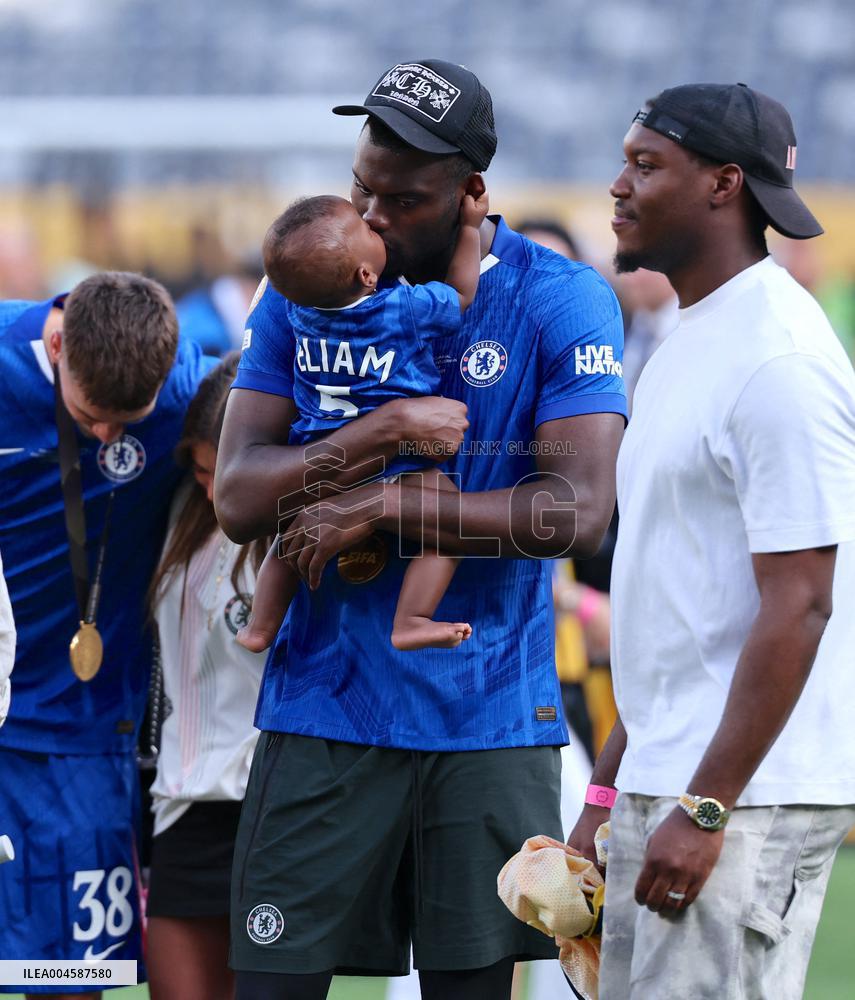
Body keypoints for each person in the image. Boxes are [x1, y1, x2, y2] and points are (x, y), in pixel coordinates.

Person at [215, 58, 625, 1000]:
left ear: (470, 191)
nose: (370, 216)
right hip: (322, 709)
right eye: (362, 187)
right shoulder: (302, 288)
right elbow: (238, 495)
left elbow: (576, 510)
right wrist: (384, 435)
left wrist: (384, 502)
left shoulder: (557, 298)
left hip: (485, 720)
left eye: (399, 198)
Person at [567, 84, 855, 1000]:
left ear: (725, 184)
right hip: (676, 780)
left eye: (646, 164)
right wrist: (607, 799)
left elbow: (803, 600)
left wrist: (705, 804)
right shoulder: (690, 338)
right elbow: (669, 614)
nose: (618, 185)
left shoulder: (779, 359)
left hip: (742, 800)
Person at [0, 272, 214, 998]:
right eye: (92, 414)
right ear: (56, 343)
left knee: (65, 977)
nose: (106, 437)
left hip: (80, 736)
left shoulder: (189, 394)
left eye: (131, 422)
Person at [238, 190, 489, 654]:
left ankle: (259, 625)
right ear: (367, 275)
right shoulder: (400, 310)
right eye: (367, 228)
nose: (376, 220)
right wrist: (470, 230)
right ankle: (411, 618)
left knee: (289, 536)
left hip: (322, 448)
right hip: (392, 458)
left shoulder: (299, 311)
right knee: (450, 519)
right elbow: (460, 295)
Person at [145, 354, 268, 1000]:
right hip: (181, 803)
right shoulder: (175, 519)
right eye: (201, 471)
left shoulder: (301, 528)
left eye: (230, 475)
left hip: (274, 813)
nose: (216, 491)